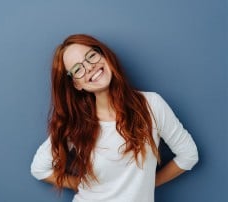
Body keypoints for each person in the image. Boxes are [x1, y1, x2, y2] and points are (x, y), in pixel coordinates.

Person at [30, 34, 198, 202]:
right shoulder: (77, 124)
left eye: (91, 56)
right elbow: (39, 169)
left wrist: (147, 184)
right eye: (77, 69)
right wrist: (78, 183)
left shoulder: (151, 105)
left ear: (104, 55)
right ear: (77, 84)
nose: (89, 67)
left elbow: (189, 155)